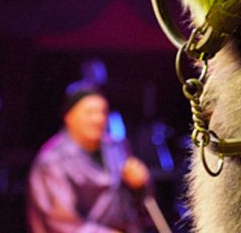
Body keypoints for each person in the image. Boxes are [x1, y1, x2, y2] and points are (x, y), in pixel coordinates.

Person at [27, 86, 150, 233]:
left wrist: (140, 185)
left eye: (103, 112)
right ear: (69, 116)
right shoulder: (52, 161)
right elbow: (60, 223)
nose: (98, 119)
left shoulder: (116, 148)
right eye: (89, 112)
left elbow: (138, 208)